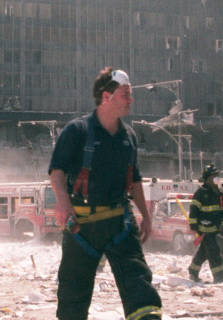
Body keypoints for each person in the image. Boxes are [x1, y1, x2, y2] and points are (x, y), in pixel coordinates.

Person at [48, 67, 162, 320]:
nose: (131, 100)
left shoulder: (129, 136)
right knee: (73, 291)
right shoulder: (77, 131)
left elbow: (134, 181)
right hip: (82, 225)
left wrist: (145, 215)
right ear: (106, 95)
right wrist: (63, 204)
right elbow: (57, 171)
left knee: (138, 282)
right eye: (126, 94)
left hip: (120, 223)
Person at [188, 164, 223, 283]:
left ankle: (192, 270)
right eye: (213, 177)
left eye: (217, 177)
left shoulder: (219, 193)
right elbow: (193, 211)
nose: (215, 179)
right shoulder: (200, 193)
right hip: (204, 229)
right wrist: (194, 228)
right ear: (207, 179)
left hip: (214, 229)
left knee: (204, 252)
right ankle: (219, 276)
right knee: (214, 250)